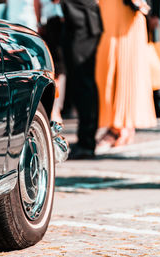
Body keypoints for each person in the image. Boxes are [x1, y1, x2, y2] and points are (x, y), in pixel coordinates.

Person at [95, 0, 157, 151]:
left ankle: (119, 127)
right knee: (108, 67)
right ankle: (121, 125)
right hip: (109, 11)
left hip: (127, 13)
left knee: (126, 68)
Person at [61, 0, 103, 159]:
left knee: (84, 83)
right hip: (76, 22)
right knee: (80, 83)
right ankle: (85, 139)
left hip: (83, 23)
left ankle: (87, 141)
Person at [35, 0, 66, 123]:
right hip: (51, 22)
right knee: (56, 70)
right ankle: (55, 109)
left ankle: (56, 108)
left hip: (62, 22)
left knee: (60, 70)